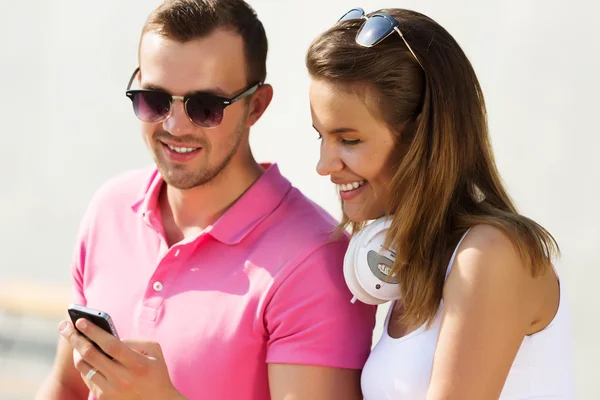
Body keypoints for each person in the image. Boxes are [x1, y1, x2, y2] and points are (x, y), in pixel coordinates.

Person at [35, 1, 376, 399]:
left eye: (205, 107)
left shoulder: (316, 261)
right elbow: (67, 387)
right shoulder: (111, 208)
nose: (175, 126)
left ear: (257, 106)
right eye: (154, 99)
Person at [306, 7, 575, 400]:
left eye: (349, 140)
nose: (323, 166)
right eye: (321, 137)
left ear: (421, 140)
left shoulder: (490, 256)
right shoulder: (416, 265)